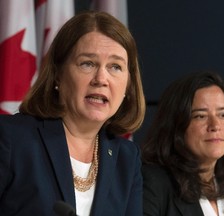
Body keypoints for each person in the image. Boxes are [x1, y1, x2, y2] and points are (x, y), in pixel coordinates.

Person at [0, 11, 145, 216]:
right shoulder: (11, 139)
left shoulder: (127, 159)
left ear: (128, 86)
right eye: (88, 63)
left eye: (115, 66)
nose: (101, 78)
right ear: (58, 75)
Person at [141, 71, 224, 216]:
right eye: (200, 116)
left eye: (222, 115)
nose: (215, 125)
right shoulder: (153, 184)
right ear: (176, 125)